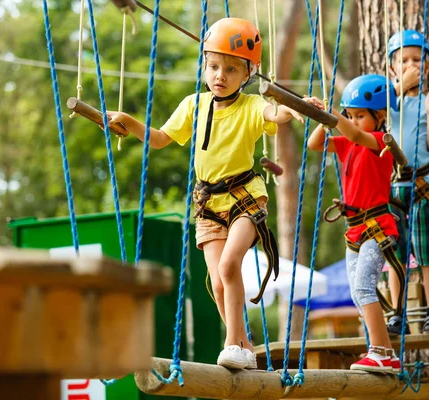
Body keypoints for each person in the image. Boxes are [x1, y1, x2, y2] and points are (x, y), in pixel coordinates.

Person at [106, 17, 303, 369]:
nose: (219, 76)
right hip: (209, 204)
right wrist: (129, 122)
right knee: (216, 282)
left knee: (229, 266)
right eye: (213, 66)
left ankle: (232, 344)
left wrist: (292, 108)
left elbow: (274, 112)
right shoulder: (193, 105)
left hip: (245, 198)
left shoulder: (252, 106)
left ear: (247, 74)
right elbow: (161, 138)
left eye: (230, 69)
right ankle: (243, 344)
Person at [305, 74, 403, 374]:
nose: (354, 121)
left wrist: (333, 114)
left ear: (381, 115)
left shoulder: (379, 142)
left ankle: (382, 352)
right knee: (357, 293)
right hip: (355, 230)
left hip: (377, 225)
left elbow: (358, 135)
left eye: (360, 115)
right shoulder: (347, 141)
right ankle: (381, 350)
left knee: (363, 290)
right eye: (351, 115)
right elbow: (314, 145)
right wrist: (323, 117)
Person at [386, 30, 429, 335]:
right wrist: (399, 88)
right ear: (393, 68)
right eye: (403, 60)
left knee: (426, 250)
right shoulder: (386, 99)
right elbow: (376, 112)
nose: (410, 64)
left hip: (421, 183)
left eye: (416, 60)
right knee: (394, 253)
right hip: (392, 187)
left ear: (425, 66)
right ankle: (398, 313)